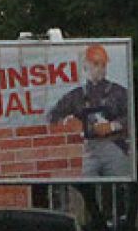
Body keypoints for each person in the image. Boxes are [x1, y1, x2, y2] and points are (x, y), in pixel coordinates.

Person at [46, 43, 131, 178]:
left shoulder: (119, 92)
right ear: (85, 66)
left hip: (115, 145)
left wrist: (113, 126)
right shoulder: (76, 95)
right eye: (96, 64)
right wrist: (67, 122)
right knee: (86, 182)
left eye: (103, 65)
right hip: (89, 149)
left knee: (121, 182)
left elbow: (131, 116)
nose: (101, 69)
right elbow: (52, 115)